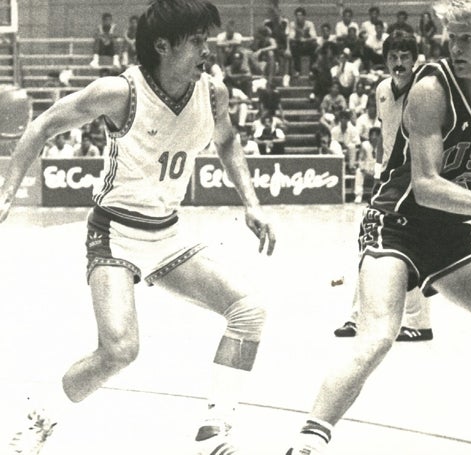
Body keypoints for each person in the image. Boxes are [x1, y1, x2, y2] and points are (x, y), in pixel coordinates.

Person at [1, 2, 276, 455]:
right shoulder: (120, 92)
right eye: (196, 42)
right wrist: (7, 192)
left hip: (167, 235)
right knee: (119, 351)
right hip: (114, 232)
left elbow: (226, 140)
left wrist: (252, 203)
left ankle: (215, 429)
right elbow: (45, 124)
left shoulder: (212, 93)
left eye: (207, 40)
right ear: (162, 46)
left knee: (249, 312)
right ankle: (40, 418)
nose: (207, 51)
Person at [285, 1, 471, 454]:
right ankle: (306, 443)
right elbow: (427, 186)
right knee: (376, 336)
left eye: (467, 38)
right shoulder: (431, 88)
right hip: (395, 224)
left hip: (449, 235)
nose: (455, 47)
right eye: (452, 38)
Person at [334, 31, 435, 343]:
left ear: (415, 58)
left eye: (406, 56)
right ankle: (358, 317)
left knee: (407, 248)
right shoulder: (380, 89)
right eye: (394, 56)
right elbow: (383, 133)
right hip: (389, 179)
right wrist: (378, 171)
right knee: (370, 244)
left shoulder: (427, 89)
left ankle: (419, 322)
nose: (399, 62)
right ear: (386, 58)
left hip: (418, 177)